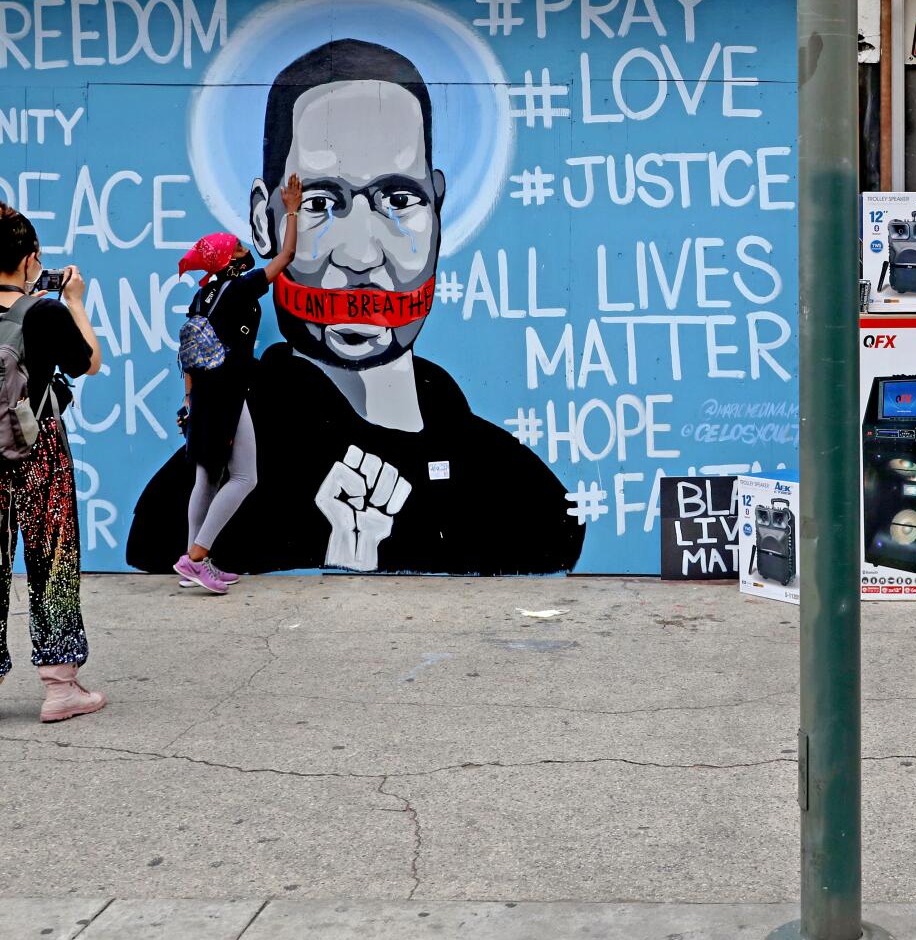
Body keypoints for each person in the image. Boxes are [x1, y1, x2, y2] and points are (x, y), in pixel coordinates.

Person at [128, 38, 581, 575]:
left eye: (398, 199)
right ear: (260, 220)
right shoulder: (184, 494)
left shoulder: (520, 489)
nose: (361, 255)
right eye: (320, 203)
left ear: (438, 208)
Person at [0, 196, 105, 730]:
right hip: (38, 450)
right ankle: (59, 687)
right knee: (52, 560)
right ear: (30, 258)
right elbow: (90, 363)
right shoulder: (45, 310)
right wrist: (74, 299)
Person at [171, 172, 303, 594]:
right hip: (225, 397)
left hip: (205, 398)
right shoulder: (237, 287)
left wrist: (189, 403)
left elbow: (187, 356)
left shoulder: (202, 295)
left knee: (207, 479)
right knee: (245, 477)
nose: (246, 249)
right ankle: (196, 557)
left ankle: (193, 561)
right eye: (240, 248)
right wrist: (294, 210)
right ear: (229, 261)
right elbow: (285, 258)